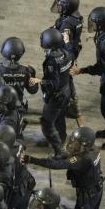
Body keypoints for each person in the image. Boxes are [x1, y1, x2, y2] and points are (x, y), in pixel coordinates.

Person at [71, 6, 105, 149]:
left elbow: (102, 66)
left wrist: (82, 70)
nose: (92, 25)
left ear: (101, 23)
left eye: (94, 23)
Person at [29, 28, 73, 159]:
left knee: (47, 123)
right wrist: (67, 42)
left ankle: (59, 151)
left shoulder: (52, 61)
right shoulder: (66, 53)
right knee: (59, 117)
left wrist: (40, 81)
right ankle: (61, 138)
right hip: (66, 91)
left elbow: (53, 83)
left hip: (57, 95)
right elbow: (72, 52)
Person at [51, 0, 83, 119]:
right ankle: (73, 106)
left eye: (60, 5)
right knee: (67, 79)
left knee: (64, 80)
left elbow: (66, 42)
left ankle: (71, 107)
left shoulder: (67, 24)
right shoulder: (76, 17)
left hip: (65, 56)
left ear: (67, 7)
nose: (58, 7)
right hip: (72, 54)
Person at [0, 37, 38, 113]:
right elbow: (33, 90)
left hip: (0, 108)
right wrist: (33, 76)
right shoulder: (26, 71)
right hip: (17, 108)